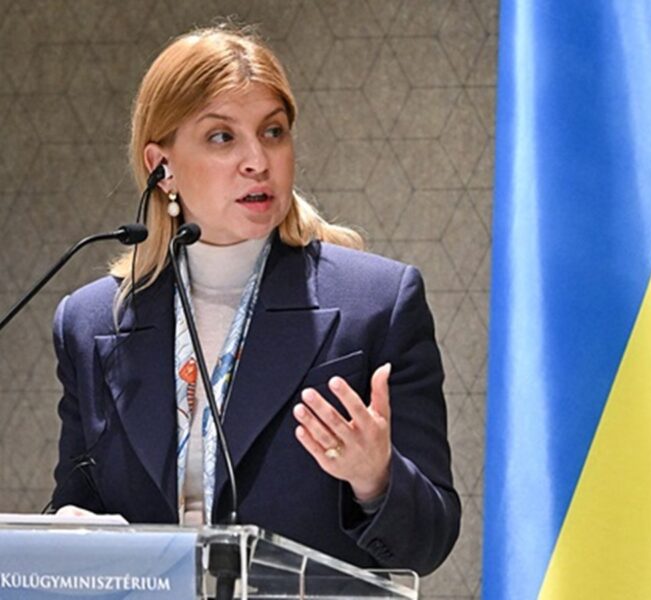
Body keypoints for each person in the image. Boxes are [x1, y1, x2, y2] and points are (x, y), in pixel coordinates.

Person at [50, 25, 460, 575]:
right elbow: (75, 506)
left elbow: (429, 542)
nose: (258, 161)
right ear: (160, 167)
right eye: (222, 137)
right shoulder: (92, 322)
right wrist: (70, 529)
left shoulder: (377, 304)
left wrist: (376, 479)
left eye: (273, 132)